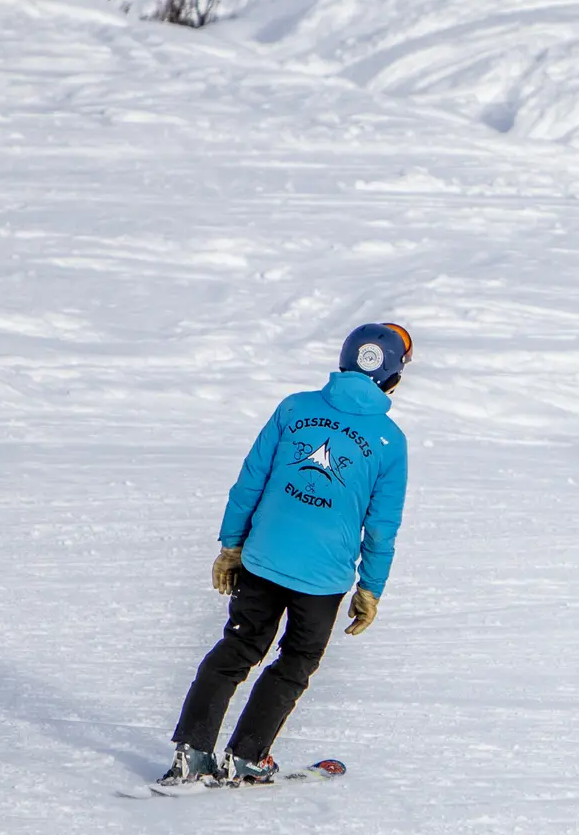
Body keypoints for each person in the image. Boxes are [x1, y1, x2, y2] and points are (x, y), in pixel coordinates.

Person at [159, 323, 413, 785]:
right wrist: (370, 589)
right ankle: (247, 757)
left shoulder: (295, 407)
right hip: (324, 579)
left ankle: (193, 754)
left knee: (239, 646)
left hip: (262, 558)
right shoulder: (390, 441)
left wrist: (231, 545)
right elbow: (381, 528)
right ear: (395, 375)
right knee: (295, 662)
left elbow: (250, 481)